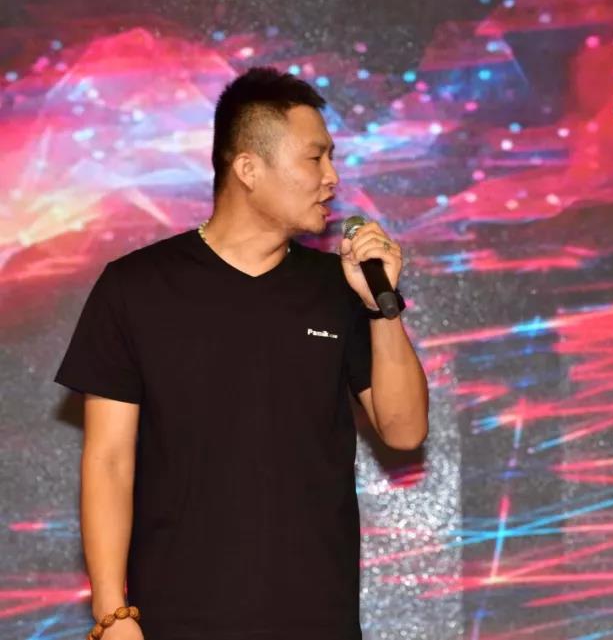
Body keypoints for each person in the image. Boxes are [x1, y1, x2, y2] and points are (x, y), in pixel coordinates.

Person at [56, 67, 429, 640]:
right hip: (176, 620)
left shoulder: (337, 289)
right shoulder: (136, 287)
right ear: (249, 169)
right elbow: (108, 461)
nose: (332, 178)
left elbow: (404, 432)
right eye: (315, 158)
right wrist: (112, 613)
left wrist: (382, 307)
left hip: (316, 620)